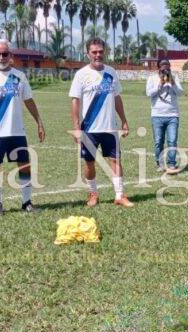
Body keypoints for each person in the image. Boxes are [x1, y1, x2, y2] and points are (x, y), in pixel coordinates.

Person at [0, 39, 46, 215]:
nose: (1, 57)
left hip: (16, 131)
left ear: (10, 55)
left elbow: (28, 100)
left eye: (5, 54)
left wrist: (39, 122)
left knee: (25, 166)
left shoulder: (19, 76)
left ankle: (26, 202)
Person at [69, 38, 134, 208]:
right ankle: (93, 194)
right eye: (94, 52)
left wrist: (124, 121)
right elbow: (75, 101)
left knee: (116, 160)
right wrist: (76, 127)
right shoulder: (81, 74)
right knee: (89, 162)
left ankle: (119, 195)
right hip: (89, 128)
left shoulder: (111, 72)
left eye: (100, 51)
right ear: (88, 53)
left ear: (104, 52)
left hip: (110, 128)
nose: (98, 55)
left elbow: (117, 97)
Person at [145, 58, 184, 174]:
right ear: (158, 67)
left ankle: (172, 164)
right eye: (163, 66)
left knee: (172, 141)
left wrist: (172, 84)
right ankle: (160, 163)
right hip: (157, 115)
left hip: (173, 115)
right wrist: (160, 84)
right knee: (158, 141)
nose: (165, 68)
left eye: (167, 65)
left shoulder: (174, 78)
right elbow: (148, 93)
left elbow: (181, 93)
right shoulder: (152, 78)